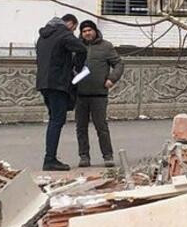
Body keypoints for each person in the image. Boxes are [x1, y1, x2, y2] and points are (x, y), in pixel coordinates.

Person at [35, 14, 87, 171]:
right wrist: (77, 68)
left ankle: (50, 157)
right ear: (70, 23)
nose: (73, 31)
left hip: (44, 83)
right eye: (74, 28)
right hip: (58, 83)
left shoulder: (42, 37)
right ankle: (50, 159)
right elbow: (82, 48)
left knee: (54, 120)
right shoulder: (64, 34)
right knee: (57, 121)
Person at [76, 20, 123, 168]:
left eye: (89, 30)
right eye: (84, 31)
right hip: (80, 93)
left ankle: (107, 156)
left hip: (99, 95)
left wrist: (112, 79)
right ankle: (84, 156)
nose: (87, 33)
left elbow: (119, 64)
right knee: (81, 127)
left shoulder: (106, 46)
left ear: (95, 30)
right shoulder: (76, 46)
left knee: (101, 127)